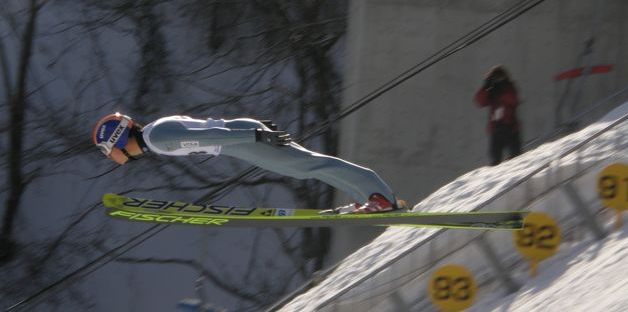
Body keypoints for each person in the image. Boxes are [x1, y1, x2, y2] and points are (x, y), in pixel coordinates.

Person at [92, 113, 405, 214]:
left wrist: (254, 136)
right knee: (307, 166)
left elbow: (210, 136)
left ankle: (377, 194)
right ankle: (373, 198)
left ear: (120, 141)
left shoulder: (158, 138)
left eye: (112, 152)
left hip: (242, 141)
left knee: (306, 167)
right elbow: (210, 131)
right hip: (242, 137)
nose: (117, 159)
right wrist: (253, 133)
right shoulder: (156, 132)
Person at [474, 66, 522, 166]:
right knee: (495, 161)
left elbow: (514, 101)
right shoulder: (492, 91)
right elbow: (479, 102)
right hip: (496, 130)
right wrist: (485, 87)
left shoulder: (509, 88)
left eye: (499, 78)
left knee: (516, 158)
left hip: (511, 128)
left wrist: (502, 92)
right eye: (495, 78)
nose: (498, 80)